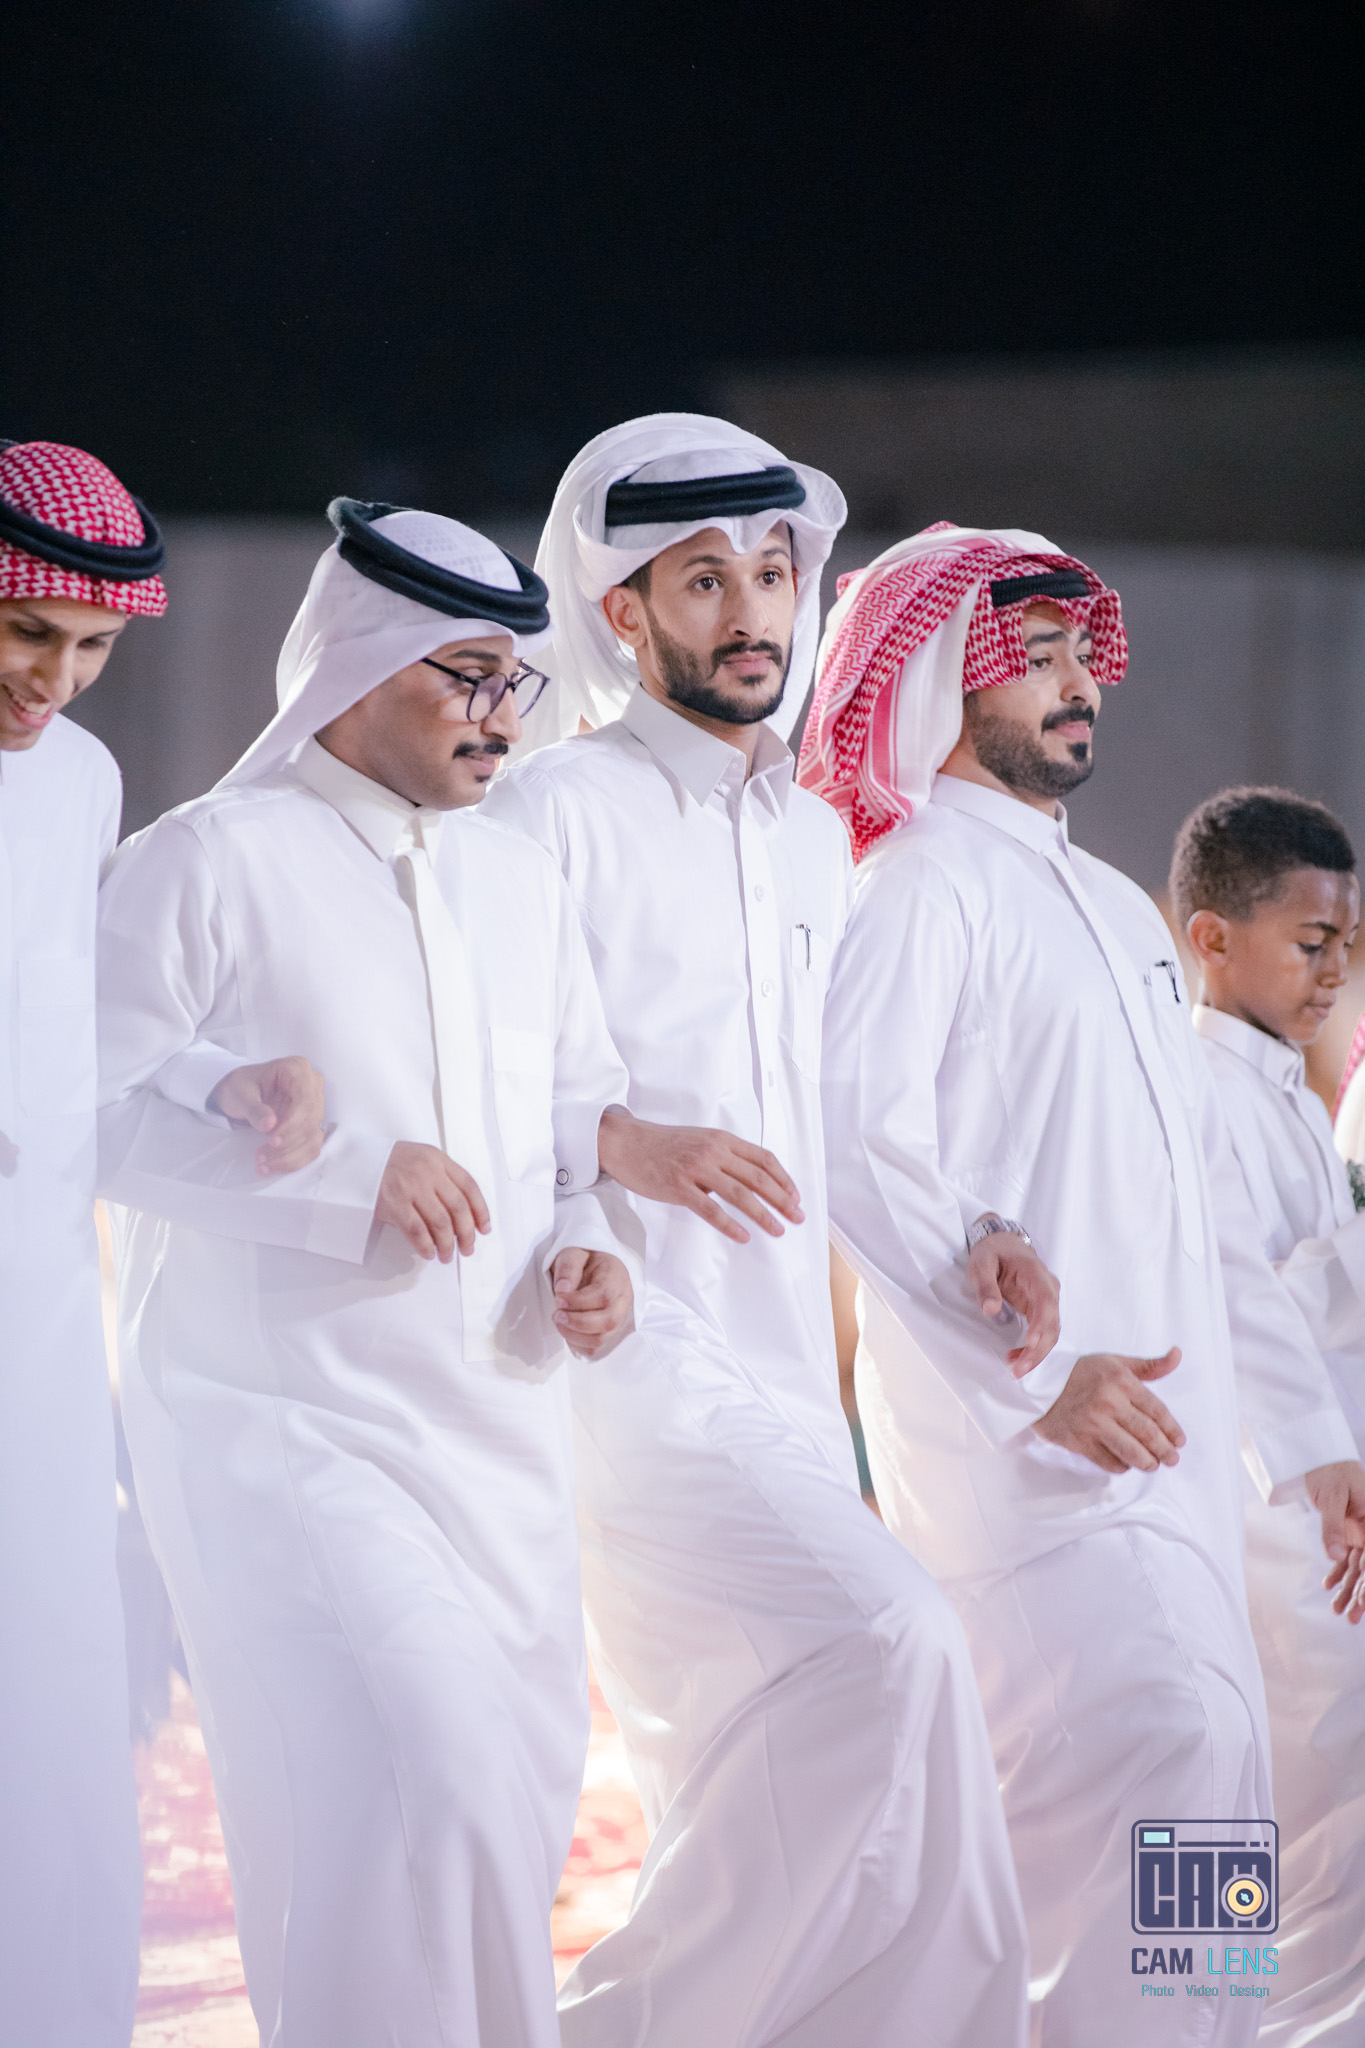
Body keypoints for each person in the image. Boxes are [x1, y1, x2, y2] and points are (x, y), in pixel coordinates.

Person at [483, 417, 1042, 2048]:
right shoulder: (551, 809)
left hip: (793, 1363)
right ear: (623, 611)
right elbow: (471, 1061)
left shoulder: (813, 834)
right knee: (894, 1641)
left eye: (775, 575)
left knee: (782, 1758)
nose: (751, 613)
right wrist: (612, 1156)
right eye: (704, 580)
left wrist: (975, 1226)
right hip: (623, 1346)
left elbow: (857, 1100)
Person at [803, 522, 1365, 2047]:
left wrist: (1297, 1451)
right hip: (1032, 1470)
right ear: (943, 676)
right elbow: (852, 1135)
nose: (1076, 687)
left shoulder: (1115, 909)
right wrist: (1042, 1382)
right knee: (1153, 1772)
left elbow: (1195, 1226)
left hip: (1170, 1467)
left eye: (1080, 657)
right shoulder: (915, 885)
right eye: (1033, 657)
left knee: (1217, 1788)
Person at [96, 500, 641, 2048]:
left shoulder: (520, 883)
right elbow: (84, 1112)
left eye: (513, 682)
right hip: (289, 1424)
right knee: (423, 1781)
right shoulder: (206, 859)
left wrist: (593, 1249)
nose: (499, 713)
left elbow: (576, 1126)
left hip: (502, 1433)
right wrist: (348, 1175)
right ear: (354, 663)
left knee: (500, 1816)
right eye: (463, 676)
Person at [0, 438, 321, 2046]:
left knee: (50, 1681)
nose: (56, 680)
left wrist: (215, 1074)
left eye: (89, 648)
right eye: (26, 634)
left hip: (35, 1301)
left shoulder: (77, 783)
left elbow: (76, 1012)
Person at [1175, 785, 1365, 2045]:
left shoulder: (1291, 1094)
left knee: (1329, 1777)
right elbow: (1234, 1297)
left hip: (1319, 1493)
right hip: (1264, 1494)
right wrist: (1323, 1459)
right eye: (1309, 942)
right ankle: (1213, 2014)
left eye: (1346, 943)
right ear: (1213, 938)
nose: (1334, 970)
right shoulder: (1194, 1090)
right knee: (1256, 1772)